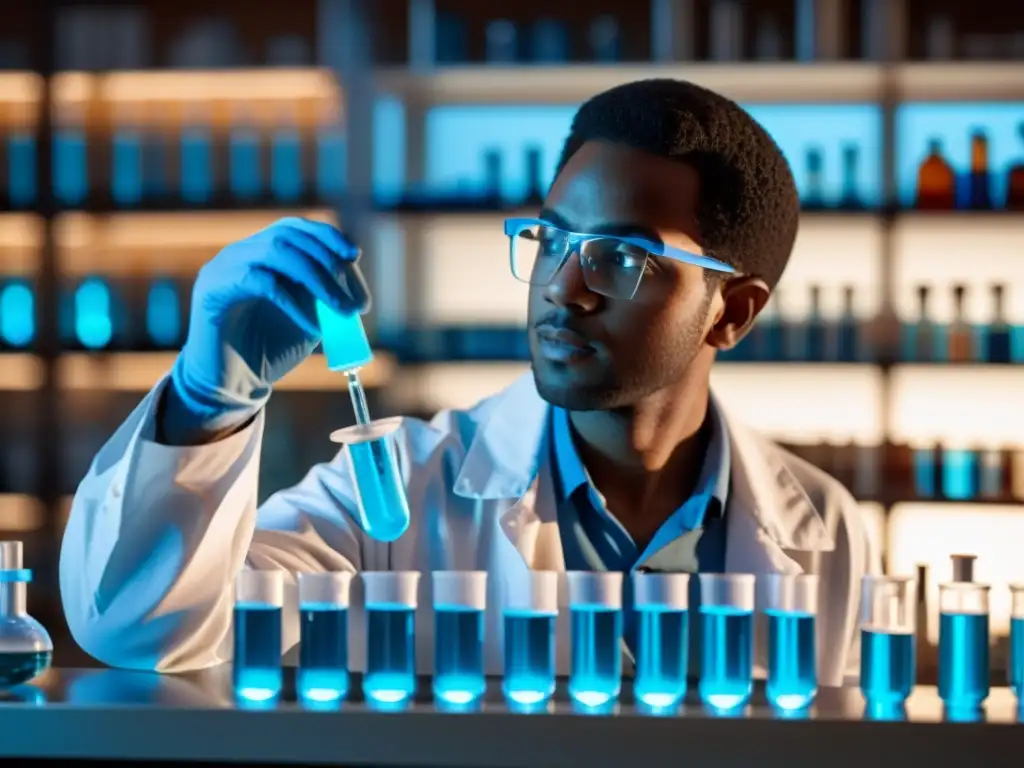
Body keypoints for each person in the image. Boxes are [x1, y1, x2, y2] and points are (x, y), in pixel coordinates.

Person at [61, 79, 879, 684]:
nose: (564, 286)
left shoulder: (828, 531)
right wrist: (211, 397)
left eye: (622, 257)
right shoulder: (397, 494)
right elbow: (145, 634)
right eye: (552, 239)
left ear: (731, 311)